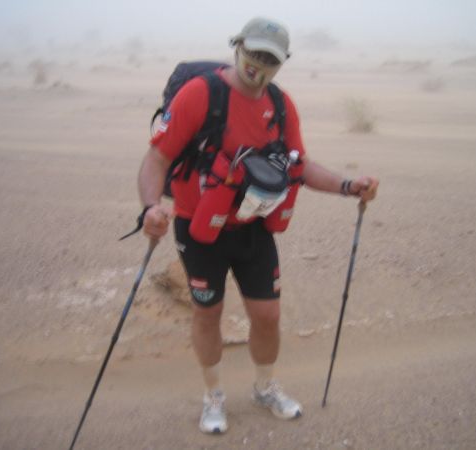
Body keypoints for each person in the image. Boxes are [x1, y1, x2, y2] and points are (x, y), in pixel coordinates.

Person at [137, 17, 379, 434]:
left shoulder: (281, 106)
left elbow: (300, 165)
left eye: (270, 59)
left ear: (282, 63)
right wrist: (150, 208)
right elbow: (157, 159)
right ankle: (213, 396)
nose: (259, 65)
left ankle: (265, 388)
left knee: (267, 316)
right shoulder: (201, 94)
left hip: (253, 227)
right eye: (253, 53)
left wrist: (347, 186)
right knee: (207, 313)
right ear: (237, 47)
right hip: (199, 229)